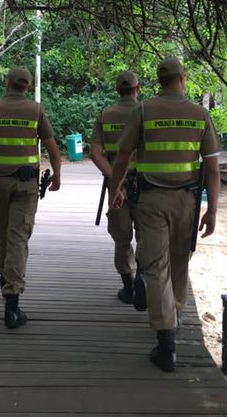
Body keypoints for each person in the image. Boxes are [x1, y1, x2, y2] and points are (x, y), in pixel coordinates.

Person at [109, 56, 221, 372]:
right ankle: (176, 316)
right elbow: (212, 168)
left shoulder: (144, 110)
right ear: (182, 79)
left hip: (151, 201)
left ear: (158, 81)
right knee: (179, 261)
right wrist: (212, 210)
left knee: (156, 267)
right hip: (186, 201)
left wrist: (117, 188)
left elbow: (122, 157)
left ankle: (165, 343)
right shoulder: (200, 114)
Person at [0, 66, 62, 329]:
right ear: (28, 87)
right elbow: (53, 150)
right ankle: (12, 304)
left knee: (4, 232)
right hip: (25, 185)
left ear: (7, 83)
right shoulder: (36, 110)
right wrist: (57, 176)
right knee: (18, 238)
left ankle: (3, 278)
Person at [89, 70, 145, 309]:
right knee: (147, 236)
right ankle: (143, 281)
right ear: (137, 89)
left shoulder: (105, 114)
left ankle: (129, 287)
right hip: (146, 185)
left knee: (121, 238)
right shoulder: (146, 113)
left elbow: (95, 153)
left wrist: (116, 180)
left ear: (117, 90)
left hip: (117, 187)